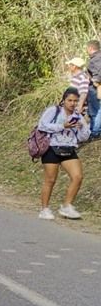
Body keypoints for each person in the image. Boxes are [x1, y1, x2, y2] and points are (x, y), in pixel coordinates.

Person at [37, 87, 90, 220]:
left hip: (69, 148)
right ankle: (44, 209)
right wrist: (62, 126)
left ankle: (67, 206)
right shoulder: (53, 111)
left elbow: (84, 137)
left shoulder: (78, 116)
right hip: (52, 147)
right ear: (64, 100)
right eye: (69, 100)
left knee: (77, 176)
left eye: (75, 101)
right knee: (50, 180)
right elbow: (42, 125)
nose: (72, 103)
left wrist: (81, 127)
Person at [86, 40, 101, 139]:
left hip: (96, 88)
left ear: (90, 48)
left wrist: (95, 81)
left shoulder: (95, 59)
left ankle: (95, 132)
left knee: (96, 110)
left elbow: (98, 73)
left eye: (87, 48)